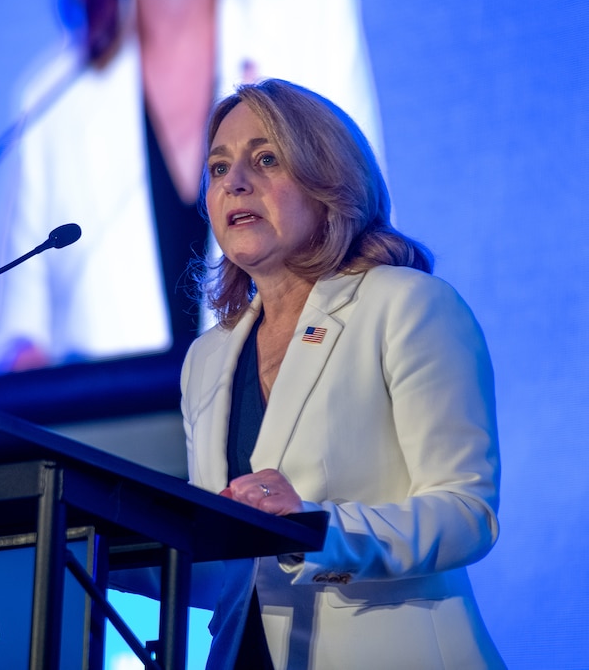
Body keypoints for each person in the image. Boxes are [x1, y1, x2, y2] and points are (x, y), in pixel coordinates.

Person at [184, 79, 505, 668]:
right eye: (218, 167)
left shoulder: (407, 305)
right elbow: (230, 569)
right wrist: (115, 547)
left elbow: (467, 514)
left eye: (265, 159)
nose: (234, 182)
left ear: (329, 181)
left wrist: (316, 528)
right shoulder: (207, 359)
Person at [0, 0, 383, 370]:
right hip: (118, 425)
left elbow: (366, 226)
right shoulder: (53, 102)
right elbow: (20, 335)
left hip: (294, 398)